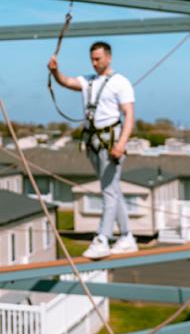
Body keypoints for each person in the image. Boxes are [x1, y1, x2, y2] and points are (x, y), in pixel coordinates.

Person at [48, 41, 136, 259]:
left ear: (109, 57)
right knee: (113, 190)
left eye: (98, 59)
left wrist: (121, 144)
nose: (94, 63)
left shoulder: (120, 82)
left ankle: (103, 238)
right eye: (92, 59)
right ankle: (126, 236)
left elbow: (129, 116)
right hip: (93, 141)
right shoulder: (88, 81)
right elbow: (66, 82)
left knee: (108, 192)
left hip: (110, 142)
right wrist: (55, 71)